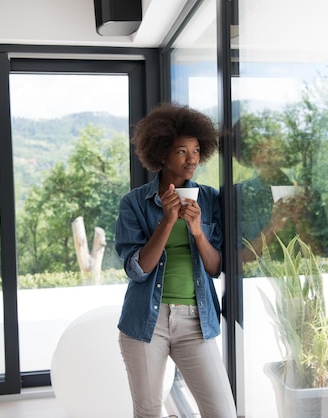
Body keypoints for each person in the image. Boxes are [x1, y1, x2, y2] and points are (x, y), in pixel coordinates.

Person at [114, 103, 237, 418]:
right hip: (146, 322)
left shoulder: (209, 199)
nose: (192, 158)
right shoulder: (134, 204)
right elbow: (137, 269)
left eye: (196, 150)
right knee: (148, 411)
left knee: (222, 411)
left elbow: (215, 267)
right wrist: (167, 222)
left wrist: (197, 232)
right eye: (182, 151)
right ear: (161, 154)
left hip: (196, 321)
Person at [236, 112, 328, 263]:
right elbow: (237, 261)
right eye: (262, 150)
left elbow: (321, 255)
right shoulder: (238, 195)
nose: (269, 158)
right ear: (253, 155)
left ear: (283, 155)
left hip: (302, 282)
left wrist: (301, 221)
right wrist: (273, 225)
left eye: (274, 151)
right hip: (252, 284)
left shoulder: (309, 196)